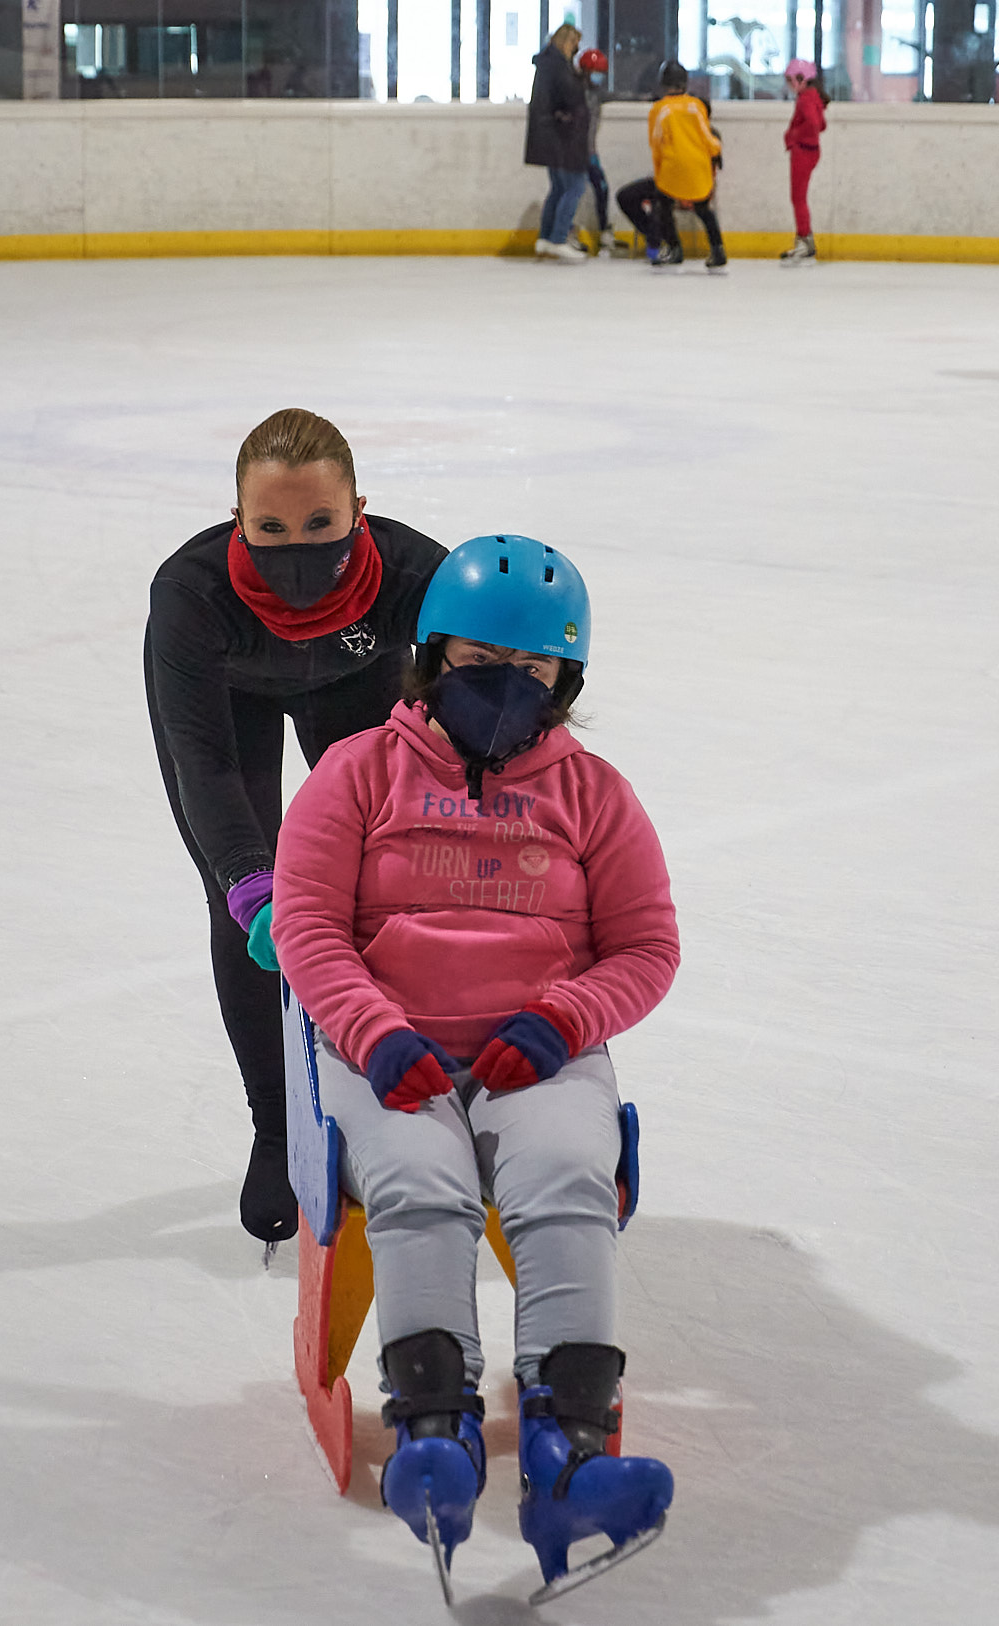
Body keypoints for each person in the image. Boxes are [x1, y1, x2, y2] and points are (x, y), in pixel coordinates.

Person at [272, 535, 679, 1589]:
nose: (504, 685)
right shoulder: (355, 775)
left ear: (565, 682)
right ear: (430, 655)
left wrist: (564, 1016)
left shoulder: (595, 795)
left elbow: (646, 946)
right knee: (420, 1183)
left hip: (533, 1052)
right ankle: (432, 1429)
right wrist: (371, 1030)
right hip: (387, 1043)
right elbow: (309, 927)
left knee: (566, 1179)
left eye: (533, 670)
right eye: (478, 659)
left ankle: (570, 1449)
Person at [144, 408, 446, 1248]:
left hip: (354, 684)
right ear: (237, 519)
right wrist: (248, 878)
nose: (297, 548)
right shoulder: (190, 594)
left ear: (361, 509)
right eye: (270, 527)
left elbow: (459, 717)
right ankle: (276, 1127)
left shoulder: (418, 572)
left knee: (385, 879)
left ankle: (412, 1078)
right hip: (227, 702)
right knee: (241, 907)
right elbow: (202, 761)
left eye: (320, 523)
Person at [617, 60, 726, 272]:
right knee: (704, 209)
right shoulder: (697, 106)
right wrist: (715, 152)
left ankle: (675, 249)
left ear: (663, 84)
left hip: (672, 166)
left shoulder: (659, 109)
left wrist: (659, 169)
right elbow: (707, 136)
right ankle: (718, 249)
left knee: (664, 205)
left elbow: (656, 142)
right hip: (698, 166)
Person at [525, 24, 590, 265]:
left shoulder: (547, 64)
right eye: (574, 43)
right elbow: (571, 97)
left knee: (559, 188)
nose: (576, 49)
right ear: (567, 41)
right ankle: (558, 237)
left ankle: (546, 237)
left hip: (550, 135)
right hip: (563, 136)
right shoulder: (558, 67)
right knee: (574, 186)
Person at [781, 59, 828, 266]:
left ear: (800, 79)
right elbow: (822, 124)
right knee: (799, 197)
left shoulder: (805, 99)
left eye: (790, 80)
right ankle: (804, 240)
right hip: (810, 151)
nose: (789, 85)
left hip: (804, 152)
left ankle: (804, 241)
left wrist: (793, 135)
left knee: (798, 198)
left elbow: (815, 124)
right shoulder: (812, 96)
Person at [577, 47, 616, 254]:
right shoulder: (574, 92)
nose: (598, 78)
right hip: (574, 153)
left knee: (602, 188)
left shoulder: (596, 93)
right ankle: (566, 231)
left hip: (590, 154)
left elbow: (617, 95)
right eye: (594, 73)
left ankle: (604, 231)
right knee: (570, 193)